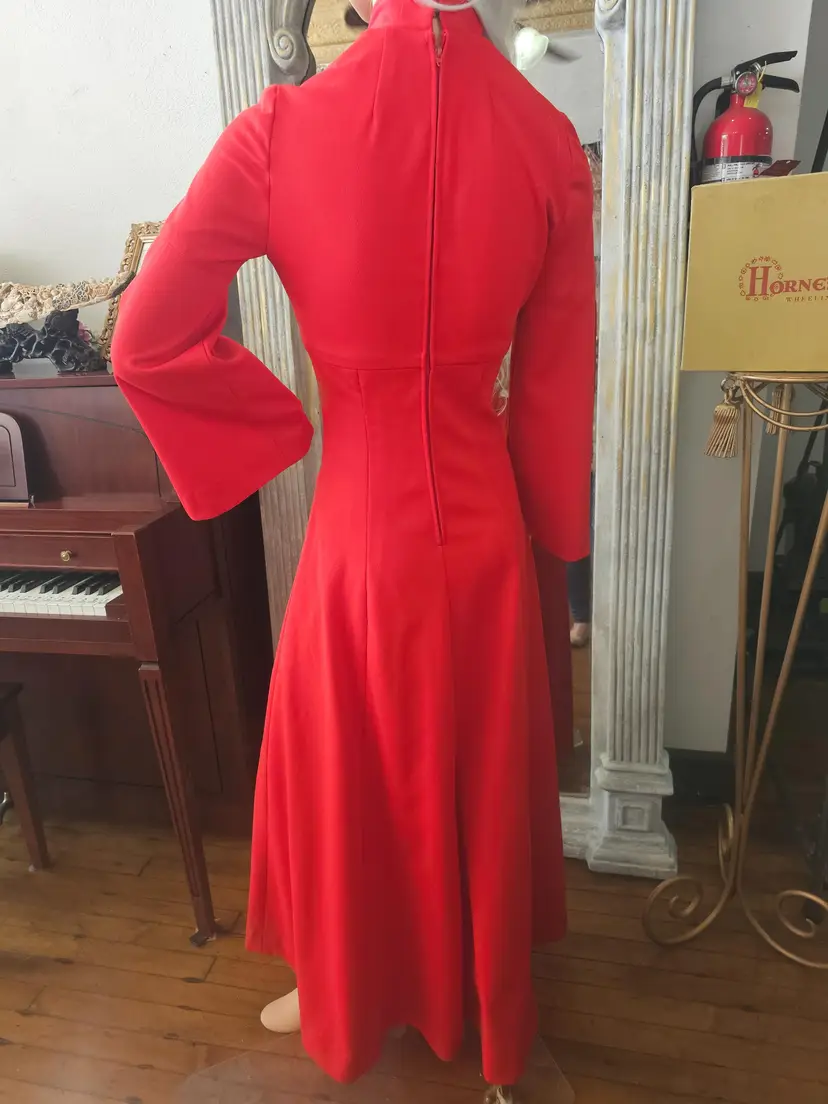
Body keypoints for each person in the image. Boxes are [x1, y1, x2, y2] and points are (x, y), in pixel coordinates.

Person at [111, 0, 595, 1097]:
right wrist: (557, 543)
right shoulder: (549, 140)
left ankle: (350, 985)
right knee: (465, 770)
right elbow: (558, 386)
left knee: (359, 774)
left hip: (357, 531)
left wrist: (275, 428)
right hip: (486, 535)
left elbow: (143, 339)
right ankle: (471, 987)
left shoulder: (279, 132)